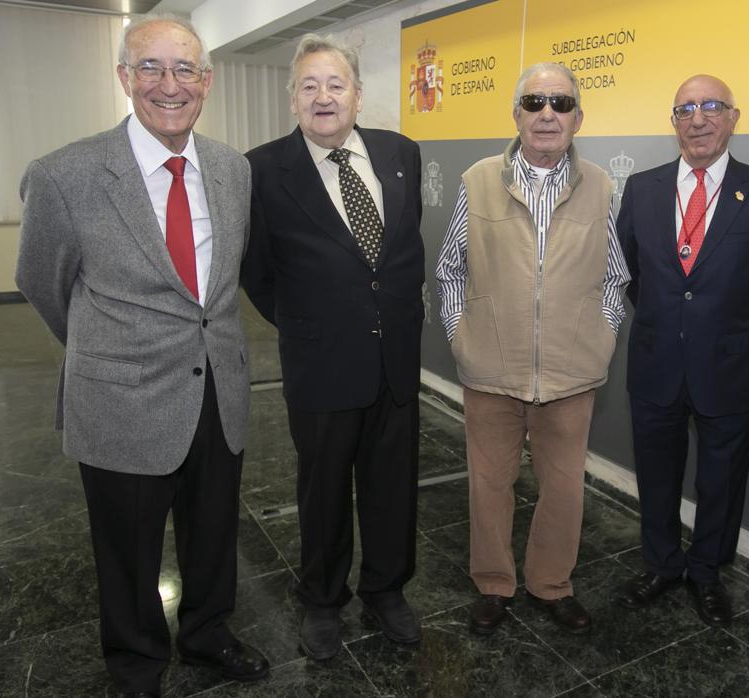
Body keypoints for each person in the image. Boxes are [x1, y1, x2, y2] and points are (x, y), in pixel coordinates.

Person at [14, 14, 268, 696]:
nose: (168, 84)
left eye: (184, 68)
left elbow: (223, 280)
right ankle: (135, 664)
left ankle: (208, 633)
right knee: (128, 550)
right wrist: (105, 349)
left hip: (218, 387)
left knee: (213, 532)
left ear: (206, 82)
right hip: (120, 400)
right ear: (124, 77)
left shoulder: (231, 170)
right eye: (149, 67)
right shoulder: (65, 175)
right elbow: (42, 282)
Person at [240, 35, 425, 661]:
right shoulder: (262, 170)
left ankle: (386, 589)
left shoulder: (401, 153)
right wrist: (305, 323)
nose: (324, 97)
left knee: (393, 487)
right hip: (320, 365)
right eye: (310, 86)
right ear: (293, 100)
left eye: (336, 84)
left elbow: (404, 253)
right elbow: (257, 271)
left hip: (394, 361)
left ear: (358, 96)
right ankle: (322, 600)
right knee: (321, 493)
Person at [435, 62, 629, 637]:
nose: (548, 113)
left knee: (564, 490)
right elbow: (450, 271)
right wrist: (461, 338)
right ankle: (494, 584)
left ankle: (552, 585)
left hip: (572, 377)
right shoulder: (476, 181)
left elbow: (616, 278)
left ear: (578, 118)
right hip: (490, 372)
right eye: (535, 102)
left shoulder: (601, 185)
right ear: (516, 114)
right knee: (489, 486)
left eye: (561, 103)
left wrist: (601, 335)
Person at [614, 75, 749, 626]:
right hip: (656, 360)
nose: (698, 119)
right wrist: (674, 320)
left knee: (722, 481)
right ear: (673, 123)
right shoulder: (642, 188)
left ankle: (708, 573)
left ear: (733, 117)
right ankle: (662, 564)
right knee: (658, 475)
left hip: (729, 364)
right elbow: (629, 271)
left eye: (711, 106)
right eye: (685, 109)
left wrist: (721, 324)